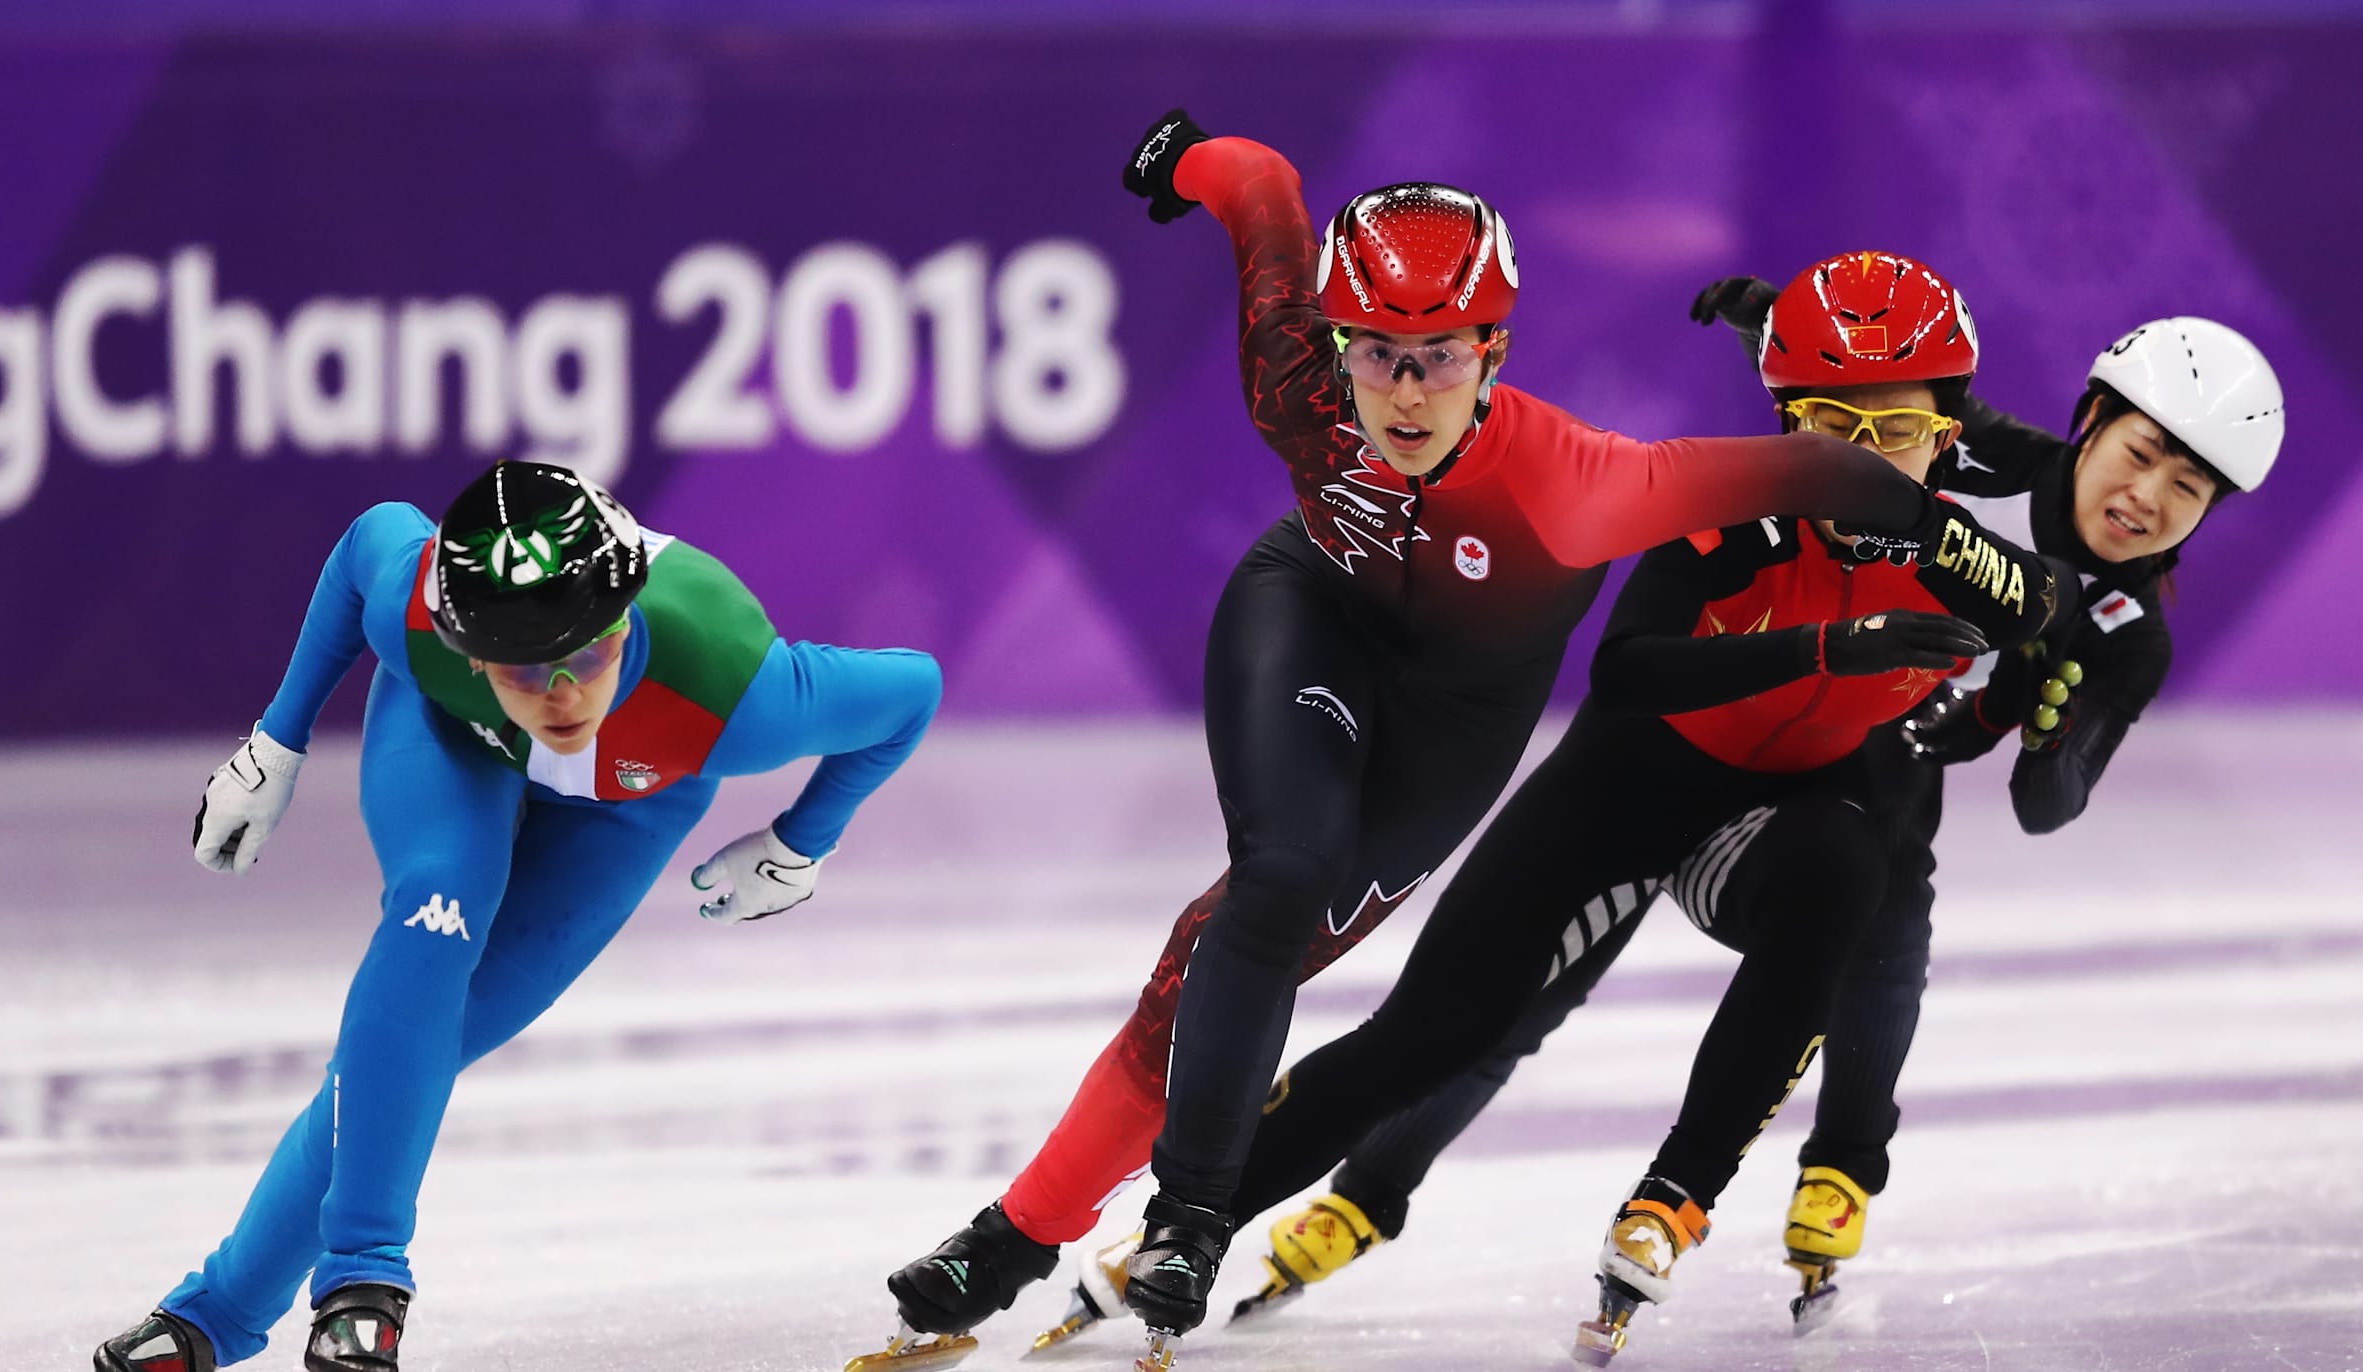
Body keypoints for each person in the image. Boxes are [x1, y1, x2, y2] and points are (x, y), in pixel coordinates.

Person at [849, 105, 1971, 1372]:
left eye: (1438, 354)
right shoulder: (1301, 389)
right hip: (1309, 620)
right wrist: (1189, 162)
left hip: (1451, 733)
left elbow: (1815, 470)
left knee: (1251, 973)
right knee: (1264, 895)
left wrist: (1978, 553)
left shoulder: (1584, 480)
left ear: (1492, 350)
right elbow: (1266, 192)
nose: (1402, 389)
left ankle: (1019, 1237)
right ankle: (1174, 1225)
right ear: (1337, 345)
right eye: (1375, 353)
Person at [1206, 302, 2286, 1345]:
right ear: (2090, 419)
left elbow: (2045, 805)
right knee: (1527, 988)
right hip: (1751, 698)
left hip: (1877, 748)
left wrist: (2040, 738)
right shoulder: (1989, 456)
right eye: (2139, 453)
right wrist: (1769, 320)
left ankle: (1844, 1164)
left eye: (2187, 488)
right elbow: (1859, 392)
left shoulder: (2128, 633)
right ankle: (1367, 1189)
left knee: (1886, 915)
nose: (2145, 497)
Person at [1074, 250, 2076, 1367]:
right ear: (1785, 427)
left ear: (1948, 437)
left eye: (1894, 432)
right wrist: (1836, 645)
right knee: (1429, 1038)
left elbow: (2044, 602)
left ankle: (1676, 1193)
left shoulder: (1957, 550)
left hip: (1795, 809)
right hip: (1633, 777)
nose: (1861, 460)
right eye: (1828, 428)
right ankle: (1195, 1221)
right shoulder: (1733, 514)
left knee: (1850, 875)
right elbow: (1630, 669)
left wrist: (2019, 692)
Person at [94, 460, 943, 1372]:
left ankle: (216, 1315)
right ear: (468, 651)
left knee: (415, 1045)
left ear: (627, 617)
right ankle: (363, 1279)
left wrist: (798, 843)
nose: (564, 695)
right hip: (458, 740)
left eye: (589, 652)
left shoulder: (735, 688)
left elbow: (912, 689)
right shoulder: (419, 618)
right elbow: (367, 537)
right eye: (527, 669)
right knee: (433, 911)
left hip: (632, 804)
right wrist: (277, 742)